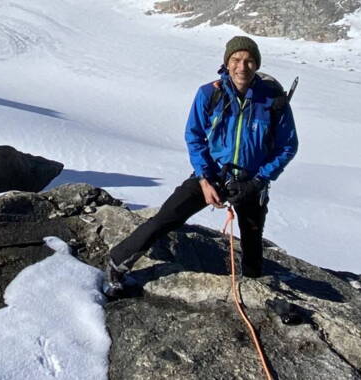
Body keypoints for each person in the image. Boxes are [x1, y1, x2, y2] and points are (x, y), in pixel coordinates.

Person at [105, 35, 298, 295]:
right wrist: (205, 179)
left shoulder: (273, 101)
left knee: (252, 236)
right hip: (213, 173)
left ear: (257, 64)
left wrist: (259, 181)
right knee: (168, 216)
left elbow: (287, 146)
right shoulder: (211, 93)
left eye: (250, 61)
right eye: (236, 60)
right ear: (227, 63)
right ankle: (118, 261)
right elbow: (194, 136)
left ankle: (253, 287)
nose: (243, 67)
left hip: (251, 180)